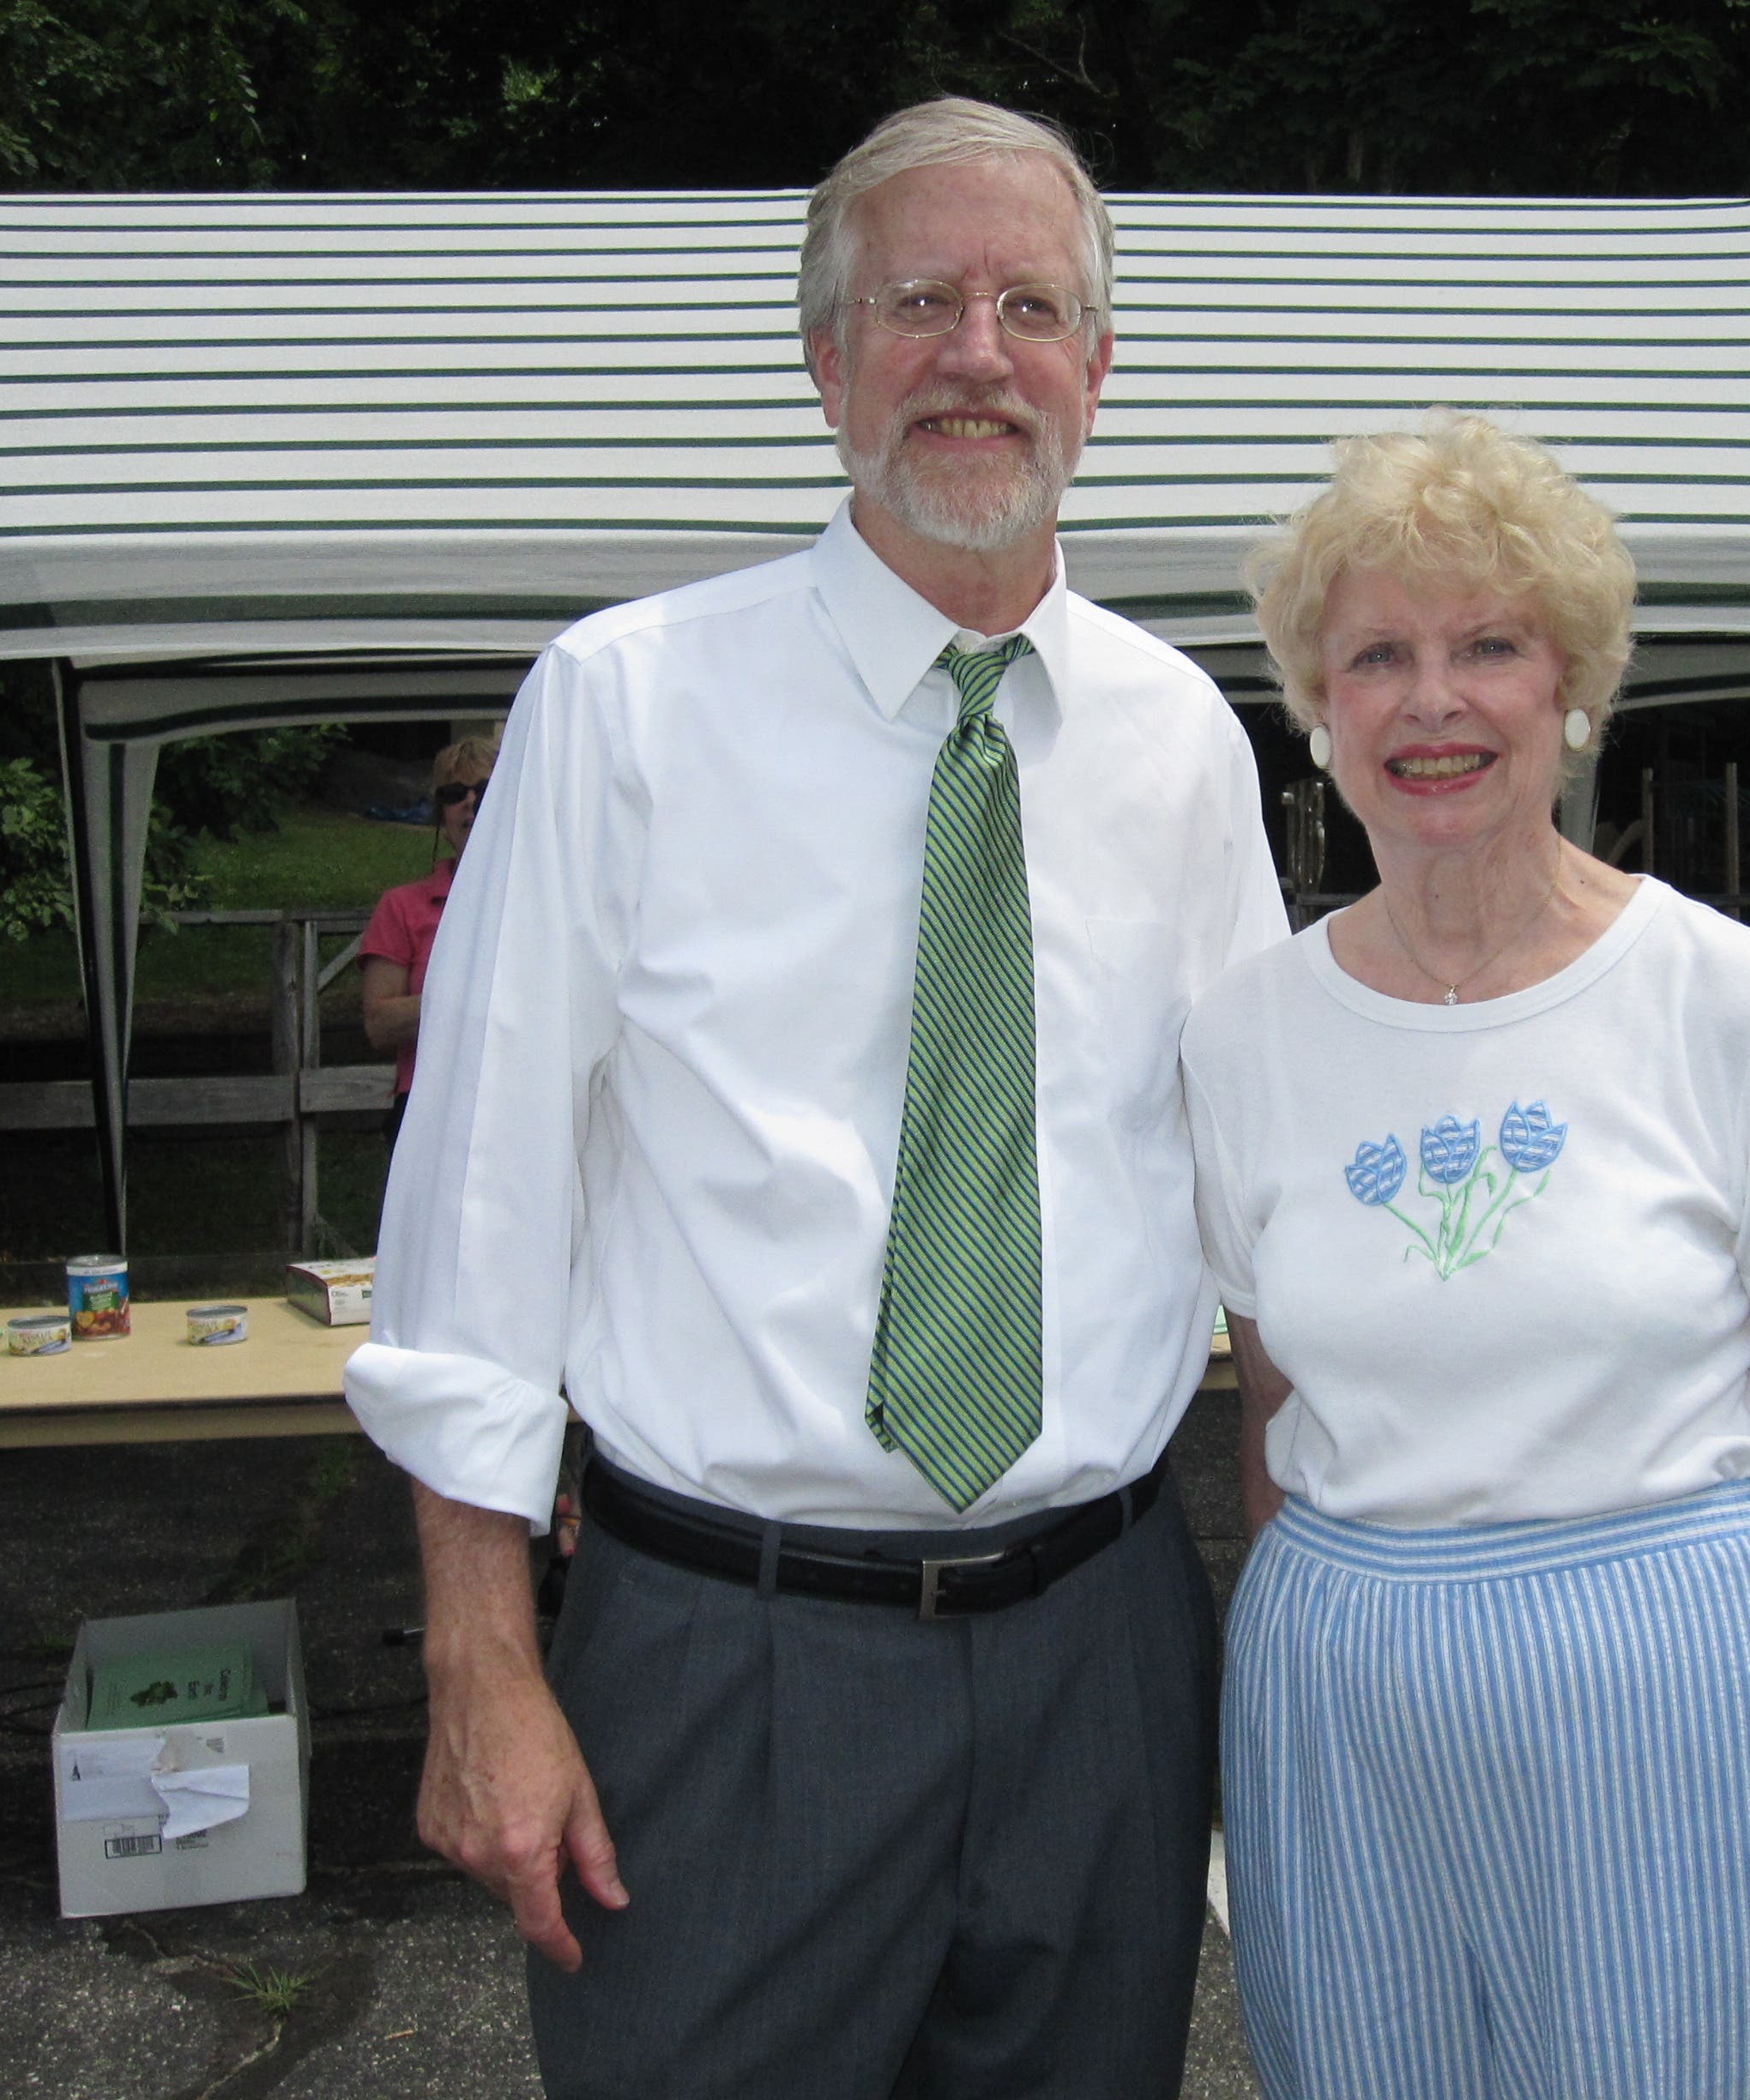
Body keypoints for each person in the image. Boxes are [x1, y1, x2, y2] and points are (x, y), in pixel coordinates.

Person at [344, 99, 1286, 2100]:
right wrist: (479, 1656)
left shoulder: (1182, 739)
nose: (975, 353)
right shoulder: (625, 704)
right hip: (725, 1667)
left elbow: (1267, 1201)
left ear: (1099, 371)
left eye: (1030, 305)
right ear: (823, 355)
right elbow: (478, 1210)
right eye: (917, 302)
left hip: (1101, 1647)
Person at [1185, 413, 1750, 2100]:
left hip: (1679, 1714)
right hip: (1346, 1724)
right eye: (1377, 653)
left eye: (1490, 647)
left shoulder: (1729, 1001)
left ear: (1572, 689)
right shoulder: (1242, 1036)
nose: (1433, 700)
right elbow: (1275, 1427)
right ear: (1318, 707)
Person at [359, 733, 498, 1139]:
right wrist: (474, 993)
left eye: (487, 789)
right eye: (455, 793)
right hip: (428, 1111)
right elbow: (380, 1025)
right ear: (441, 812)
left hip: (519, 1104)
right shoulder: (401, 906)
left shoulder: (547, 900)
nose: (471, 802)